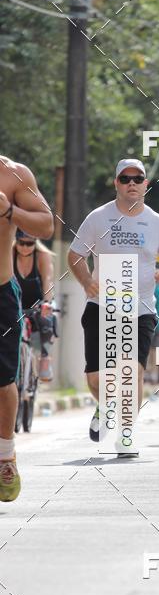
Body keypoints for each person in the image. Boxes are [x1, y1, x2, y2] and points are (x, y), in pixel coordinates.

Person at [68, 159, 159, 453]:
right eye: (125, 178)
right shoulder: (98, 218)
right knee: (97, 378)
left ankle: (126, 434)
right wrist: (86, 281)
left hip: (140, 308)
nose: (132, 183)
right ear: (116, 183)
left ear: (146, 184)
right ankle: (106, 405)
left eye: (137, 178)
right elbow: (75, 254)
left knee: (132, 372)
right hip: (102, 305)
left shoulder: (158, 223)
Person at [0, 155, 54, 501]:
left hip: (0, 291)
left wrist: (9, 212)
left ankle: (5, 455)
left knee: (3, 380)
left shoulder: (14, 174)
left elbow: (46, 226)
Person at [13, 229, 56, 381]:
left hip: (37, 304)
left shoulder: (42, 256)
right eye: (21, 243)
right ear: (15, 241)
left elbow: (47, 281)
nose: (25, 247)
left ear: (35, 243)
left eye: (29, 244)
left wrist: (47, 303)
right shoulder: (8, 254)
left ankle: (44, 358)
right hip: (13, 304)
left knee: (47, 319)